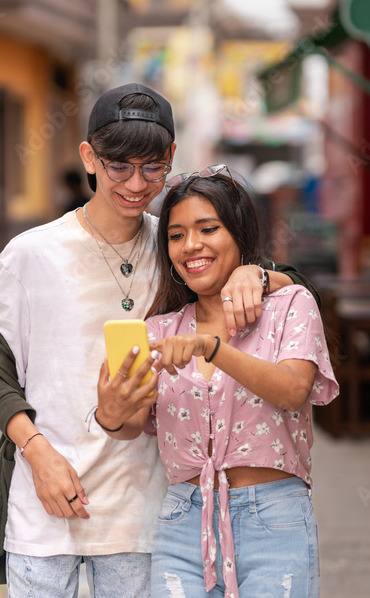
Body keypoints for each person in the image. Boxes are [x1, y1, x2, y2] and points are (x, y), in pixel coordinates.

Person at [0, 83, 320, 596]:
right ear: (89, 157)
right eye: (119, 166)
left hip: (144, 519)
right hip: (44, 509)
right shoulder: (31, 254)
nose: (136, 183)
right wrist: (37, 454)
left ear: (171, 159)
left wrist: (263, 276)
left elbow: (289, 296)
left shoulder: (178, 246)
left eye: (152, 168)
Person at [95, 166, 339, 597]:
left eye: (208, 229)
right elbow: (132, 423)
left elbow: (292, 390)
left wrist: (213, 348)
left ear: (239, 234)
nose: (191, 246)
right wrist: (110, 413)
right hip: (182, 522)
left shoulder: (290, 305)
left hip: (275, 518)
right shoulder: (158, 330)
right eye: (175, 235)